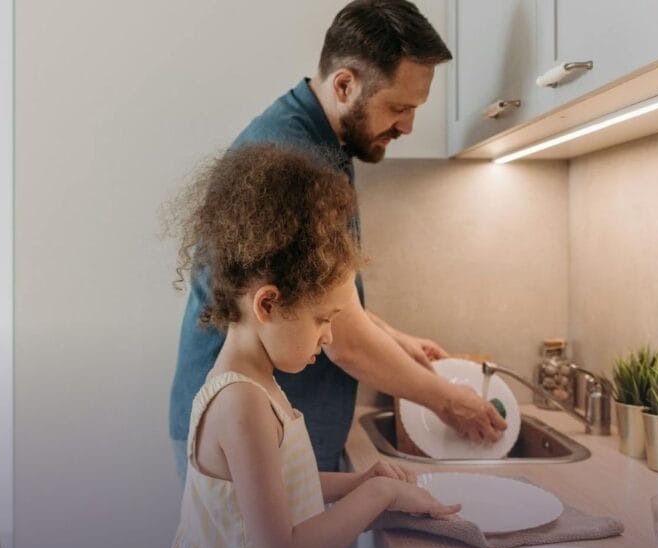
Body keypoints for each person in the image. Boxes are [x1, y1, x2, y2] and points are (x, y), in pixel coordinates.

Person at [136, 144, 460, 548]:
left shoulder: (256, 380)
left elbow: (277, 489)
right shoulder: (242, 403)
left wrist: (360, 480)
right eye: (322, 321)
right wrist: (376, 500)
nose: (329, 338)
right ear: (268, 303)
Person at [169, 0, 506, 476]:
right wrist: (449, 401)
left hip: (264, 431)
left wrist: (394, 338)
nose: (408, 126)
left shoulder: (325, 140)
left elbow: (319, 292)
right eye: (399, 107)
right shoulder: (297, 158)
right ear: (345, 84)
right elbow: (344, 342)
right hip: (245, 438)